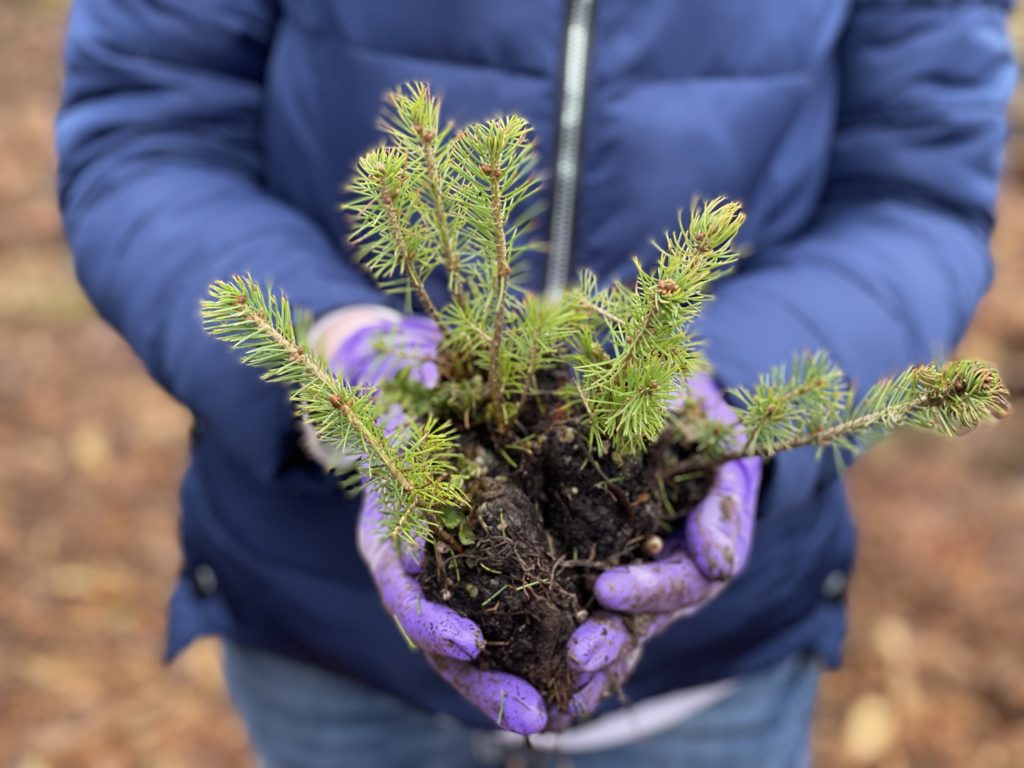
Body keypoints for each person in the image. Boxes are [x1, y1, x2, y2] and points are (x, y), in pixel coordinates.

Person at [56, 2, 1015, 766]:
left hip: (718, 668)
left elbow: (917, 187)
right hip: (317, 619)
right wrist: (337, 353)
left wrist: (725, 392)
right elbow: (147, 128)